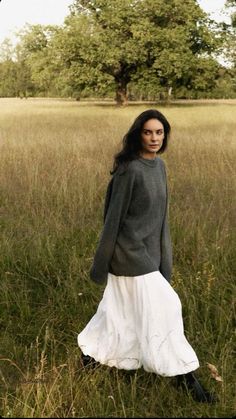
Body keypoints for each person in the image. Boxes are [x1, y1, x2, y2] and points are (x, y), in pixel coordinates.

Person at [77, 109, 216, 404]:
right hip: (127, 255)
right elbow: (112, 219)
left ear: (165, 136)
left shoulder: (160, 166)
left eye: (159, 133)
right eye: (148, 132)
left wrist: (164, 259)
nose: (154, 138)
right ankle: (187, 380)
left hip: (149, 255)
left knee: (119, 313)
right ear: (138, 134)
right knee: (167, 307)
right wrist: (101, 263)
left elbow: (161, 219)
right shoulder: (130, 169)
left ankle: (89, 357)